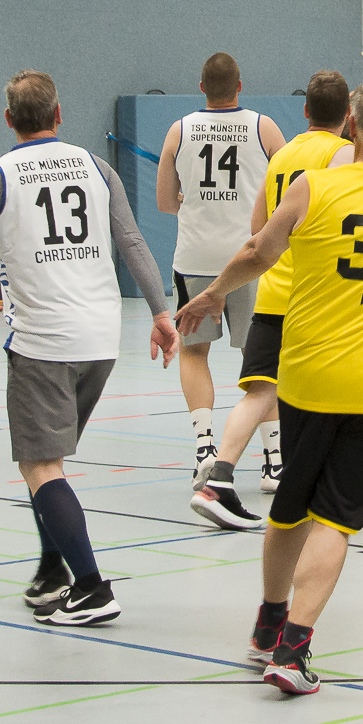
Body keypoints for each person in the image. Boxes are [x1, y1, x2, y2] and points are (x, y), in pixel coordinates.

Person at [176, 74, 363, 694]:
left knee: (292, 506)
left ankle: (268, 622)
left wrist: (213, 294)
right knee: (336, 520)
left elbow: (257, 250)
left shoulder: (310, 188)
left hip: (309, 378)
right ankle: (292, 649)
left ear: (351, 124)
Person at [0, 71, 178, 625]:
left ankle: (91, 587)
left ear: (8, 119)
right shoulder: (97, 168)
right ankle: (53, 570)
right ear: (59, 114)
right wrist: (160, 312)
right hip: (102, 339)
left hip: (44, 341)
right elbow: (132, 240)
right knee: (48, 465)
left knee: (41, 465)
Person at [188, 70, 355, 530]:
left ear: (305, 110)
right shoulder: (344, 155)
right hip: (317, 297)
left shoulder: (283, 156)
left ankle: (217, 481)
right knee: (340, 389)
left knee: (260, 392)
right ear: (348, 114)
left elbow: (258, 227)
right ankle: (352, 480)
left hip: (273, 291)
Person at [156, 52, 285, 477]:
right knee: (259, 359)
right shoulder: (264, 128)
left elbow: (164, 202)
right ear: (240, 86)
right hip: (249, 258)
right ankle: (274, 461)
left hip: (195, 258)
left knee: (194, 353)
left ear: (201, 88)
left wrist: (191, 200)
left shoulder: (179, 130)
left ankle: (204, 449)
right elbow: (290, 191)